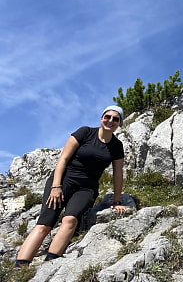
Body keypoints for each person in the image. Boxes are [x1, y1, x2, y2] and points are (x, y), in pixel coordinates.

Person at [15, 106, 127, 267]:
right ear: (102, 118)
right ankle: (20, 267)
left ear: (119, 123)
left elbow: (118, 174)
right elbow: (63, 159)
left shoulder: (117, 146)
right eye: (107, 116)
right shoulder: (85, 132)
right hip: (63, 180)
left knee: (70, 220)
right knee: (45, 225)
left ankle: (49, 265)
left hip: (86, 188)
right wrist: (56, 186)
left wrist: (116, 202)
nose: (110, 121)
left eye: (115, 119)